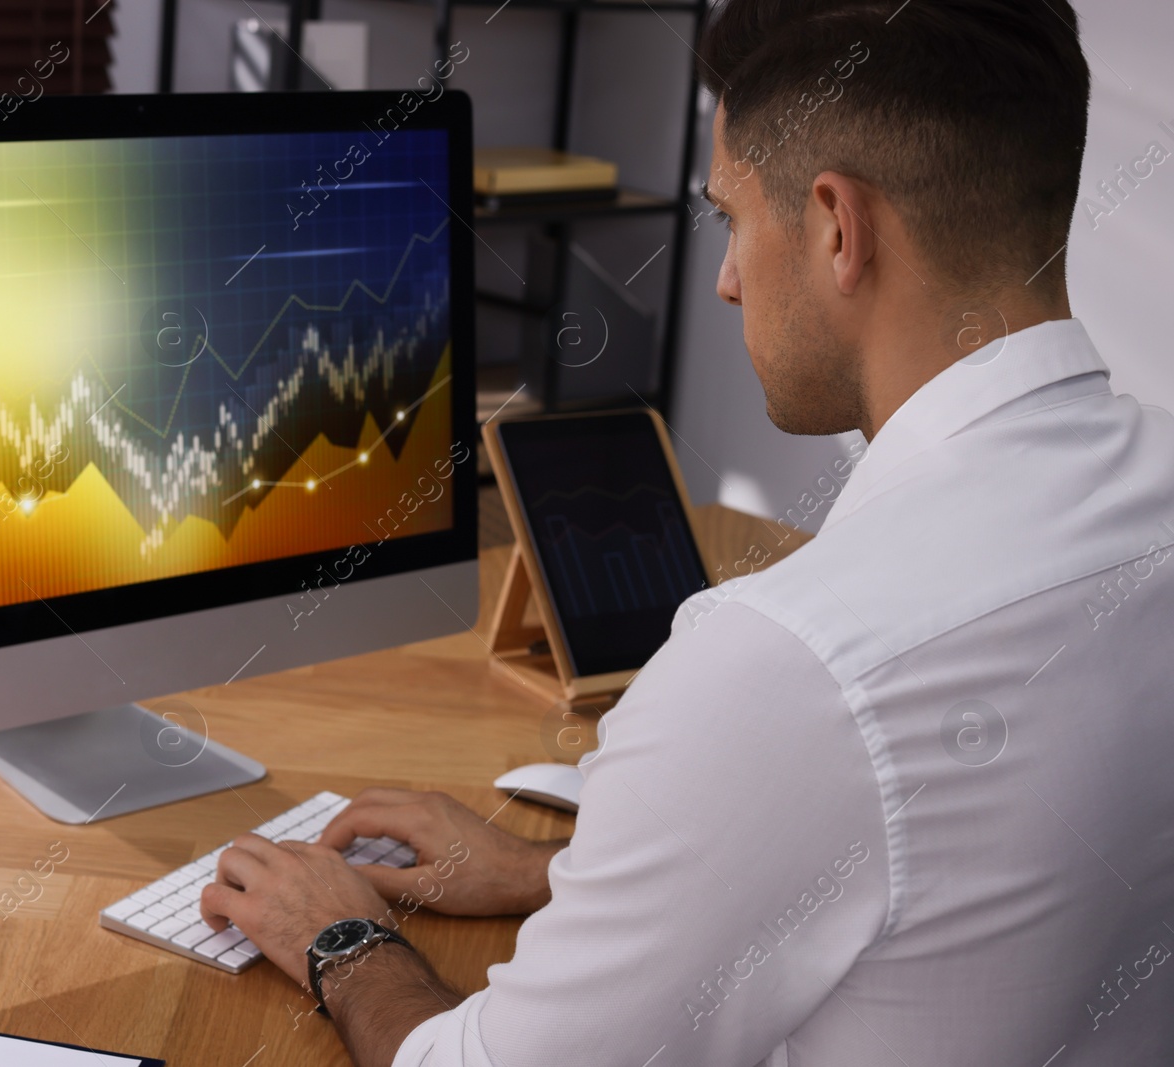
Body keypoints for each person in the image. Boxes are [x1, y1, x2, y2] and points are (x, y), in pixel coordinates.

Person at [199, 1, 1174, 1063]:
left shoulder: (783, 663)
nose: (724, 277)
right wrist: (562, 873)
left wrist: (339, 935)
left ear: (838, 228)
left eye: (729, 219)